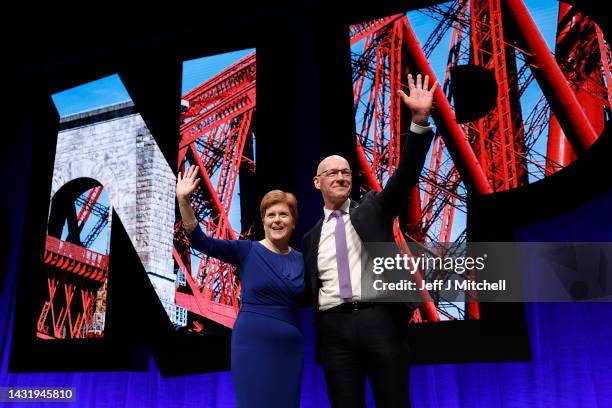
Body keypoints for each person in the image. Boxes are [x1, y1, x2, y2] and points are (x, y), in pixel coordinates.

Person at [302, 73, 437, 408]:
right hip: (333, 328)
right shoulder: (310, 238)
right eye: (332, 172)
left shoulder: (374, 208)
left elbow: (406, 174)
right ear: (317, 182)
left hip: (379, 320)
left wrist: (419, 121)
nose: (341, 176)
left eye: (346, 172)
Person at [176, 166, 305, 408]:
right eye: (271, 215)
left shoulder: (302, 259)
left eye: (283, 214)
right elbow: (200, 242)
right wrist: (184, 200)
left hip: (290, 347)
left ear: (294, 221)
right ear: (264, 221)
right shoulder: (246, 250)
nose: (277, 220)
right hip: (252, 343)